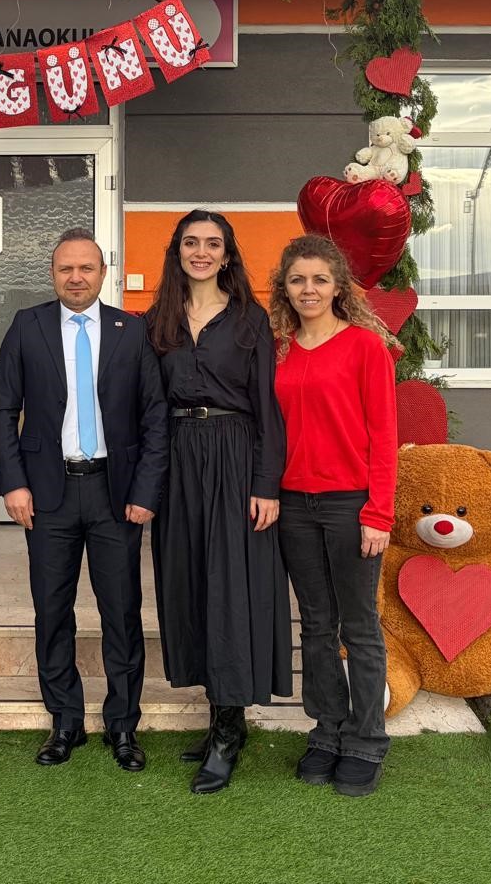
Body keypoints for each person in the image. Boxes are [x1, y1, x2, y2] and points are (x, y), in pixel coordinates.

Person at [0, 229, 168, 772]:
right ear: (52, 273)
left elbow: (154, 416)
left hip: (116, 493)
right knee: (52, 610)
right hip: (48, 493)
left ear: (103, 273)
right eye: (66, 268)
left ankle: (123, 724)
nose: (76, 277)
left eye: (86, 268)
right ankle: (65, 720)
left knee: (122, 612)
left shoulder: (131, 331)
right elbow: (3, 410)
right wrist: (13, 484)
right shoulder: (28, 326)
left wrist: (145, 490)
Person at [144, 209, 289, 794]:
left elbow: (269, 408)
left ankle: (229, 731)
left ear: (227, 254)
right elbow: (148, 407)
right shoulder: (159, 320)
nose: (200, 252)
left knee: (230, 588)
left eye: (212, 243)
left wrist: (266, 483)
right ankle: (218, 718)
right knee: (191, 587)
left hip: (234, 457)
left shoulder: (250, 319)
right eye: (190, 243)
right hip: (179, 459)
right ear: (177, 252)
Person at [269, 233, 398, 798]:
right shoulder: (279, 350)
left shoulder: (365, 347)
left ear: (339, 287)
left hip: (351, 505)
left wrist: (379, 512)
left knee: (359, 627)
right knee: (317, 625)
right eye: (298, 279)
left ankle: (367, 740)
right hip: (295, 505)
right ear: (285, 288)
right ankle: (326, 730)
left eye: (320, 279)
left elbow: (384, 436)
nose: (309, 289)